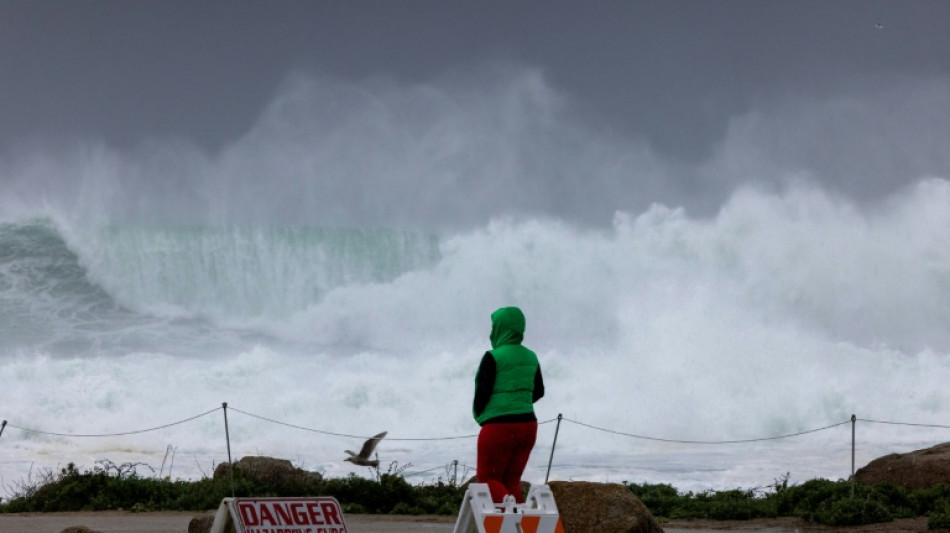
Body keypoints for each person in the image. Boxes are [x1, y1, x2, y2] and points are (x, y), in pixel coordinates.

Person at [473, 306, 545, 504]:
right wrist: (518, 403)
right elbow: (538, 391)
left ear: (500, 328)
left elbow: (482, 393)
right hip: (528, 425)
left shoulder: (493, 357)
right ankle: (519, 525)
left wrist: (482, 416)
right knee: (512, 481)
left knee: (488, 480)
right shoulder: (531, 356)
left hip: (498, 426)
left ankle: (509, 517)